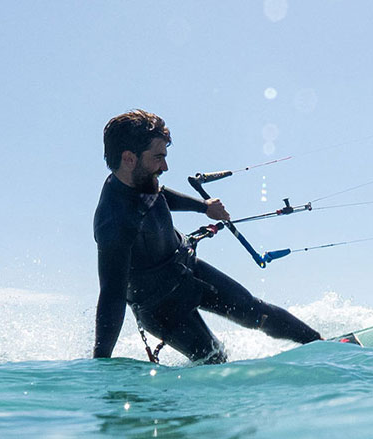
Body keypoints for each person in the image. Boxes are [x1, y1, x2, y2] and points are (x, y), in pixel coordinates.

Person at [92, 109, 322, 364]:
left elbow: (161, 195)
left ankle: (322, 345)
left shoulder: (141, 180)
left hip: (187, 270)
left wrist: (204, 207)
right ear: (129, 158)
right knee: (214, 358)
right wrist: (101, 364)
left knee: (255, 311)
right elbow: (112, 295)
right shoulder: (114, 222)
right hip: (160, 307)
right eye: (158, 157)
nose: (165, 166)